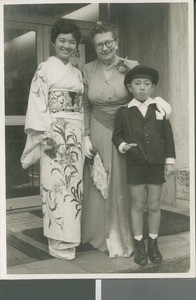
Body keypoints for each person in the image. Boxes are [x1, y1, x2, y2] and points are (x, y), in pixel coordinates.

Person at [81, 22, 172, 258]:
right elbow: (85, 106)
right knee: (102, 183)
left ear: (117, 42)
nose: (104, 48)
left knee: (128, 182)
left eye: (108, 42)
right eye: (99, 44)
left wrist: (160, 101)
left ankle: (132, 237)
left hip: (128, 130)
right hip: (100, 130)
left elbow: (143, 90)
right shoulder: (87, 69)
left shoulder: (131, 66)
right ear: (94, 46)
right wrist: (86, 136)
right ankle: (103, 235)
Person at [21, 19, 84, 260]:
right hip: (53, 135)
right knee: (56, 187)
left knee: (73, 187)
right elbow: (37, 103)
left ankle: (71, 239)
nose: (67, 45)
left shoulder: (77, 72)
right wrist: (45, 135)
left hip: (75, 134)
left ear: (76, 45)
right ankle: (57, 241)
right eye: (62, 41)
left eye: (71, 42)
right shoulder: (44, 69)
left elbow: (81, 108)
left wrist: (84, 135)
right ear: (53, 42)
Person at [112, 65, 175, 265]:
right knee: (138, 204)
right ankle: (139, 244)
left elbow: (168, 137)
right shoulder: (124, 112)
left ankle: (153, 244)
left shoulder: (160, 108)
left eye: (147, 84)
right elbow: (117, 136)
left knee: (154, 204)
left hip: (156, 163)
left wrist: (170, 161)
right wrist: (124, 146)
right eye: (137, 84)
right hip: (135, 163)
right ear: (130, 87)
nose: (142, 88)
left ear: (153, 87)